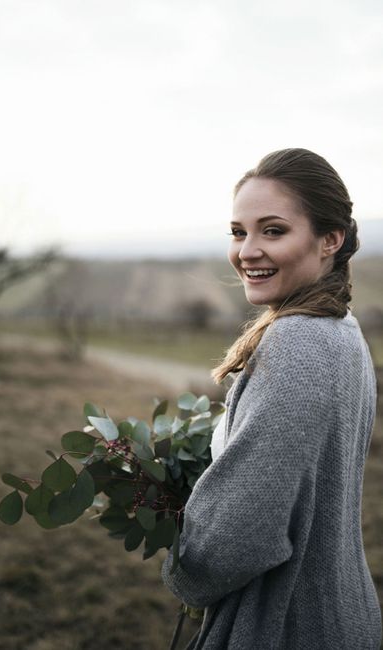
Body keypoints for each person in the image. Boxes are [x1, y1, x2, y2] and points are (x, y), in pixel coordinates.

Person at [161, 148, 381, 649]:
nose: (247, 250)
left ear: (331, 239)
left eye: (273, 230)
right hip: (339, 614)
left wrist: (183, 567)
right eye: (239, 232)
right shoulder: (341, 330)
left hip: (286, 623)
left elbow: (239, 536)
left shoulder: (297, 343)